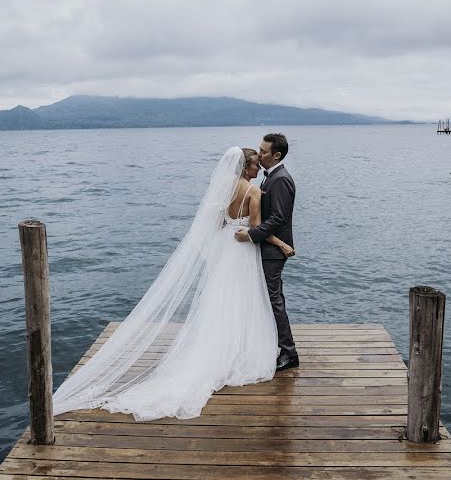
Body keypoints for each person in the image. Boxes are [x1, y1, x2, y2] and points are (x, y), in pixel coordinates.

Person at [51, 147, 278, 420]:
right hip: (240, 250)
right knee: (242, 299)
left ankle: (218, 347)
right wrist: (277, 242)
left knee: (219, 300)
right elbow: (254, 228)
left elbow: (216, 223)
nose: (258, 171)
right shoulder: (254, 193)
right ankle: (236, 351)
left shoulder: (224, 189)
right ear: (246, 169)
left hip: (223, 249)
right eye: (255, 166)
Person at [235, 133, 299, 371]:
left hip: (273, 250)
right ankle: (272, 344)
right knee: (268, 298)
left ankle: (289, 352)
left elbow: (278, 218)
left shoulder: (281, 179)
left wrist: (251, 235)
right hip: (268, 247)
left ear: (277, 155)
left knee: (274, 300)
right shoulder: (270, 178)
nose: (259, 154)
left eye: (263, 152)